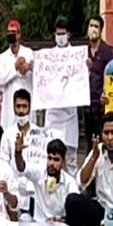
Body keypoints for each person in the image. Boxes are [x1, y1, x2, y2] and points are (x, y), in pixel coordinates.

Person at [44, 16, 81, 175]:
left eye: (63, 33)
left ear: (69, 34)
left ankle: (71, 191)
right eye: (58, 34)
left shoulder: (77, 56)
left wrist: (85, 68)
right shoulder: (48, 57)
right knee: (52, 154)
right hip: (53, 114)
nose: (60, 37)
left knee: (70, 158)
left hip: (70, 115)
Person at [0, 89, 45, 219]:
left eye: (24, 106)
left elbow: (42, 165)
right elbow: (4, 167)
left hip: (36, 193)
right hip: (15, 192)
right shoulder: (7, 135)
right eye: (18, 106)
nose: (21, 110)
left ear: (30, 108)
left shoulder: (39, 134)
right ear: (13, 108)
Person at [13, 134, 78, 223]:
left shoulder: (69, 182)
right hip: (39, 225)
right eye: (49, 158)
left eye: (56, 160)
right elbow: (22, 167)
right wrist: (18, 152)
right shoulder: (39, 173)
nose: (51, 163)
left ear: (63, 163)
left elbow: (75, 208)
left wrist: (59, 220)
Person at [85, 15, 113, 154]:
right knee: (89, 145)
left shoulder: (108, 52)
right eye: (91, 26)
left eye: (96, 27)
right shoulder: (82, 53)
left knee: (103, 144)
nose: (93, 29)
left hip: (102, 107)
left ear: (101, 30)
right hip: (86, 107)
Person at [0, 19, 34, 130]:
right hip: (10, 102)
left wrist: (30, 68)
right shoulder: (3, 57)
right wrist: (14, 68)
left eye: (14, 33)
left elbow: (37, 76)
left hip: (27, 96)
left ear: (19, 34)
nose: (12, 36)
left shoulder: (28, 53)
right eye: (9, 33)